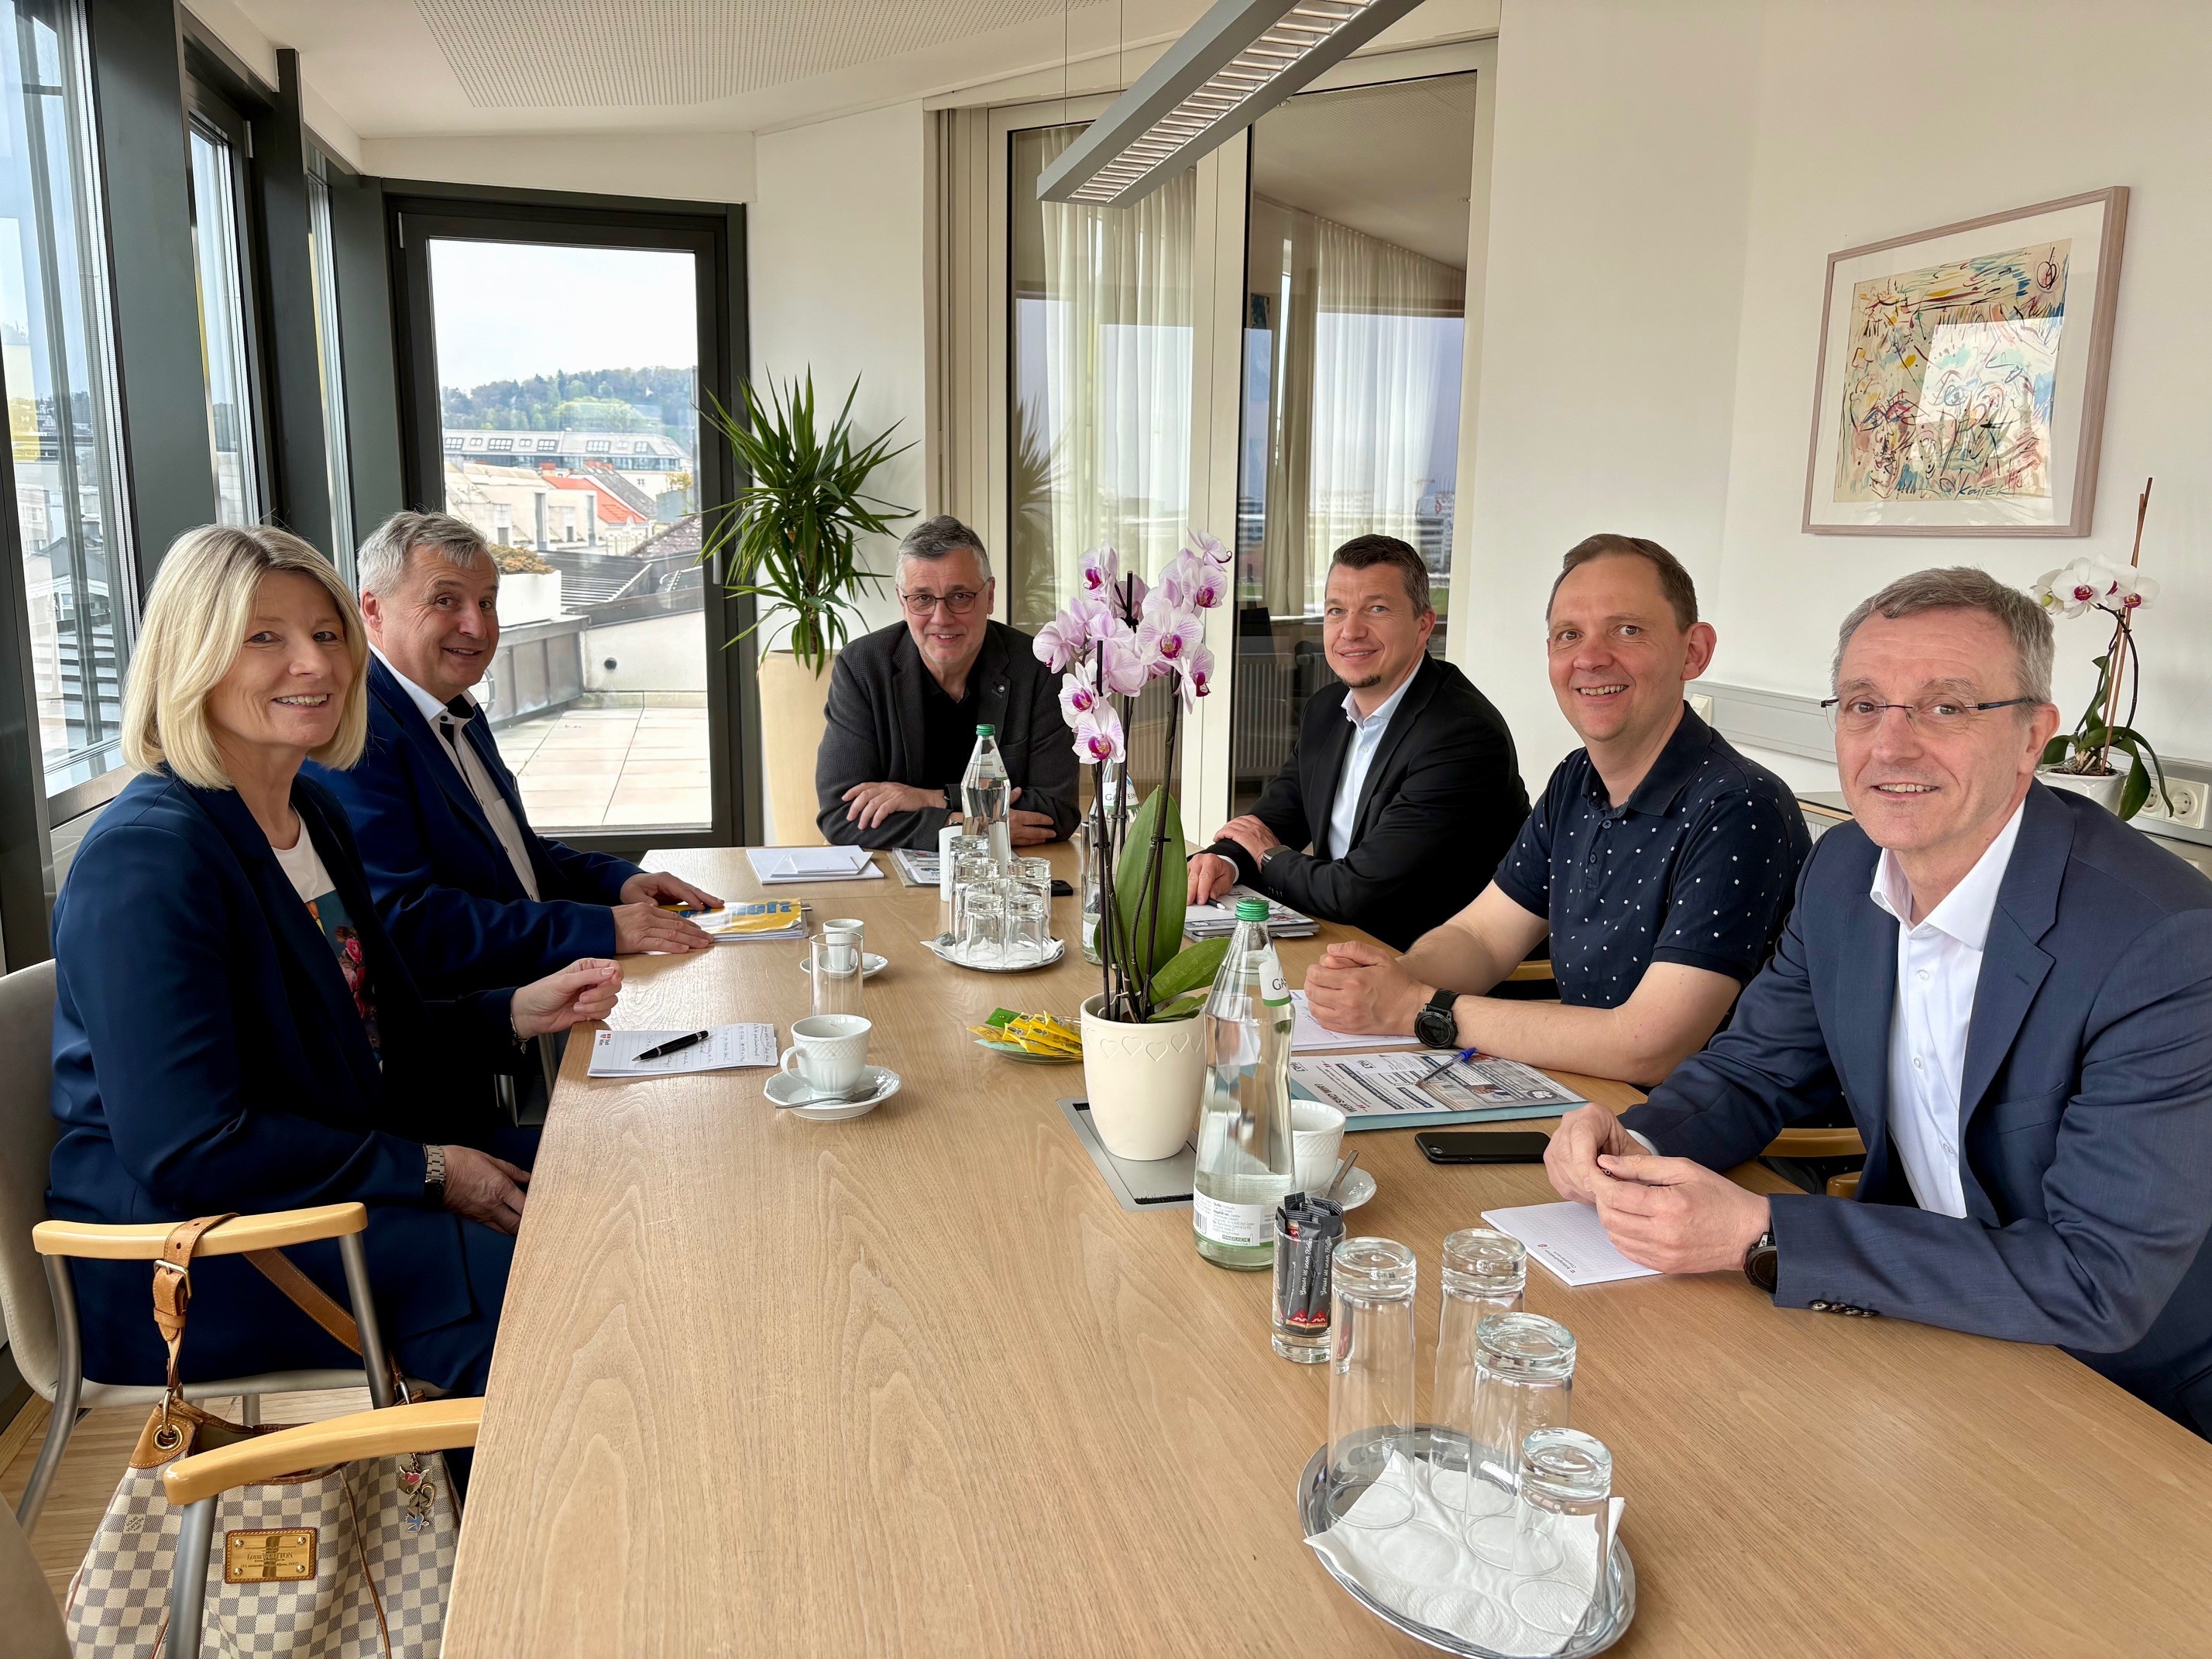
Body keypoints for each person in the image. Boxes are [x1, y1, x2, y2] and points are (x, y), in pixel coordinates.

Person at [1543, 567, 2212, 1439]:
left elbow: (2100, 1282)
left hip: (2127, 1397)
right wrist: (1636, 1143)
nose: (1891, 746)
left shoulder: (2163, 944)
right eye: (1863, 705)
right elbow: (1753, 1072)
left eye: (1945, 707)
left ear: (2032, 737)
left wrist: (1762, 1232)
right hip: (1917, 1337)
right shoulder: (1844, 870)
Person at [48, 525, 622, 1396]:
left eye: (324, 636)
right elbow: (191, 1145)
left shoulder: (311, 814)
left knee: (620, 1162)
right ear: (190, 656)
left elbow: (367, 1029)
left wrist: (513, 1009)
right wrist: (430, 1170)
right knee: (547, 1301)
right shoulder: (147, 859)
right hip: (200, 1250)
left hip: (322, 1176)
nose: (312, 665)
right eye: (264, 638)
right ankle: (529, 1526)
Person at [1304, 534, 1809, 1084]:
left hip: (1706, 1141)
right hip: (1587, 1094)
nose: (1590, 658)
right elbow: (1483, 938)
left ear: (1694, 651)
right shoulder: (1576, 779)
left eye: (1628, 630)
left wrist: (1420, 1009)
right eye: (1570, 635)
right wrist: (1392, 979)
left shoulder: (1738, 806)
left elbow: (1650, 1048)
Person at [307, 512, 721, 998]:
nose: (477, 627)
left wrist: (619, 882)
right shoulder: (358, 735)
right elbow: (408, 920)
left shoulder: (456, 708)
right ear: (373, 611)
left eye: (486, 603)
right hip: (466, 1032)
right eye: (446, 601)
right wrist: (603, 927)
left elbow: (510, 851)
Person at [1183, 536, 1525, 952]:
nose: (1351, 631)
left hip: (1417, 965)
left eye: (1377, 609)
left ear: (1423, 625)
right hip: (1339, 937)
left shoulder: (1462, 735)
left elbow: (1358, 892)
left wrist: (1269, 857)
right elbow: (1276, 815)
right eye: (1336, 611)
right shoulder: (1328, 709)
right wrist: (1225, 860)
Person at [816, 515, 1079, 849]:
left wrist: (932, 798)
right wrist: (968, 827)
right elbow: (842, 815)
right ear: (902, 601)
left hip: (1008, 882)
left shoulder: (1040, 668)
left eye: (960, 597)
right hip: (892, 885)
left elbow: (1056, 812)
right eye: (922, 598)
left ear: (990, 595)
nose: (941, 618)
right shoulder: (863, 668)